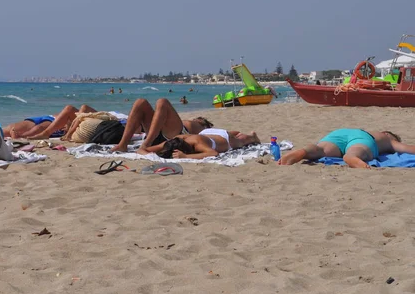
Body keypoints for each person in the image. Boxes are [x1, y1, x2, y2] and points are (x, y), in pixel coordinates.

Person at [110, 98, 212, 153]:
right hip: (158, 134)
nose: (196, 119)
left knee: (162, 102)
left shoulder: (199, 125)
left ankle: (146, 144)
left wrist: (201, 123)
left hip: (175, 137)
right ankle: (123, 144)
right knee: (140, 102)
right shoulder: (186, 122)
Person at [279, 129, 415, 169]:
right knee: (357, 149)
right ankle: (352, 157)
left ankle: (303, 151)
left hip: (340, 133)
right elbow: (409, 149)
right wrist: (393, 144)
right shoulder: (388, 139)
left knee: (320, 149)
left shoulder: (371, 131)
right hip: (363, 137)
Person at [142, 128, 260, 159]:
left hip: (224, 139)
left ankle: (252, 136)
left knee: (241, 141)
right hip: (206, 133)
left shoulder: (197, 144)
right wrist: (146, 151)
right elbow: (144, 150)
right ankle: (237, 133)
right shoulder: (175, 140)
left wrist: (186, 156)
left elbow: (213, 153)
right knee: (235, 134)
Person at [26, 104, 98, 140]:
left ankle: (69, 134)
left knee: (84, 107)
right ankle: (45, 134)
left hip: (103, 124)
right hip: (93, 122)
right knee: (69, 108)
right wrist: (68, 123)